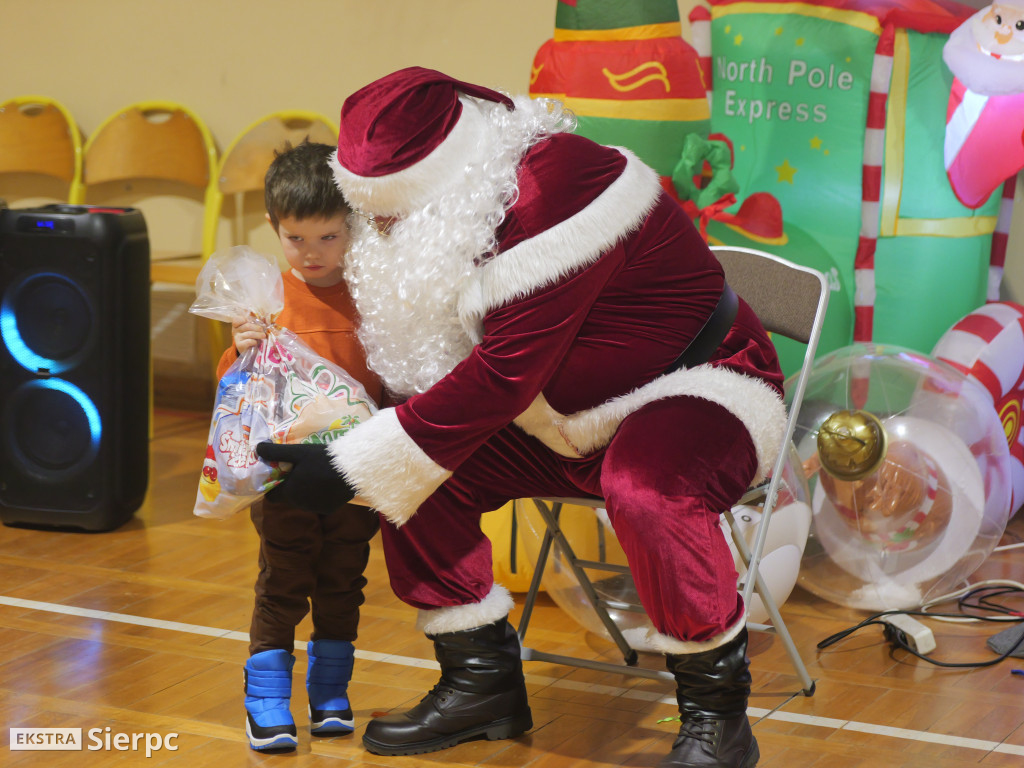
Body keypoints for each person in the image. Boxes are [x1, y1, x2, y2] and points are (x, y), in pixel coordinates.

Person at [256, 68, 786, 768]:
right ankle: (482, 683)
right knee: (423, 478)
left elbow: (502, 375)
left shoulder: (555, 195)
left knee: (646, 487)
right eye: (372, 215)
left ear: (436, 180)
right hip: (552, 412)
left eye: (390, 214)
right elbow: (459, 380)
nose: (379, 230)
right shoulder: (451, 209)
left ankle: (717, 720)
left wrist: (356, 461)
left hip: (695, 386)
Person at [219, 140, 382, 752]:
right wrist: (241, 349)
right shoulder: (265, 305)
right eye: (296, 239)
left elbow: (391, 379)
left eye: (329, 238)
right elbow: (229, 391)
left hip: (357, 471)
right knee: (283, 579)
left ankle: (331, 691)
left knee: (344, 578)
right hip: (285, 475)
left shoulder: (375, 298)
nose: (312, 254)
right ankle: (264, 697)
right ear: (273, 228)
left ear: (353, 227)